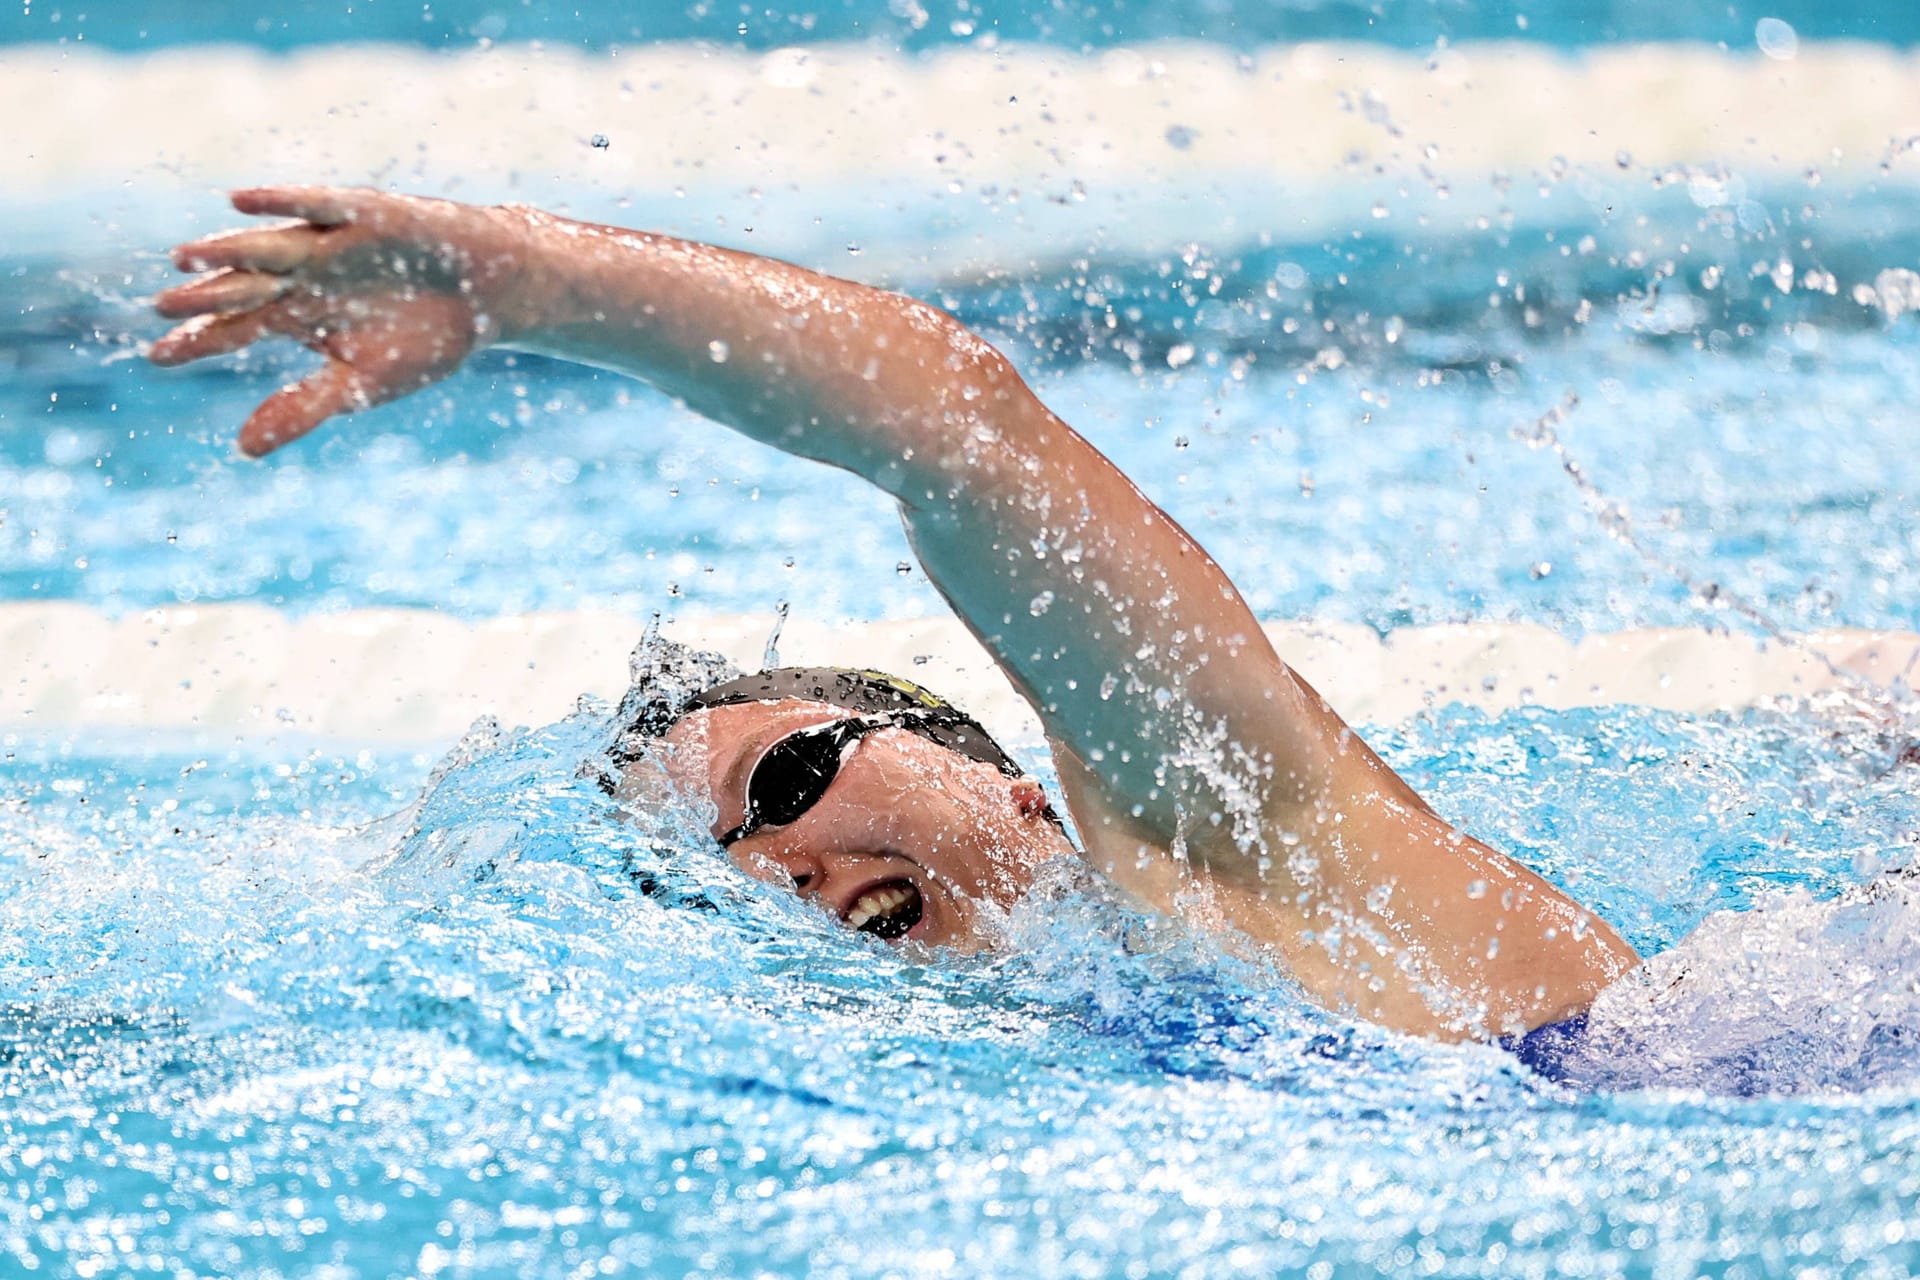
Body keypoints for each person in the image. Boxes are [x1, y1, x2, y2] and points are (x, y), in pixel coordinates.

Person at [150, 186, 1639, 1051]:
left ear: (1012, 778)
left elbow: (957, 426)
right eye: (708, 881)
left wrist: (532, 287)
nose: (778, 869)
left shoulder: (1238, 843)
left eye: (783, 782)